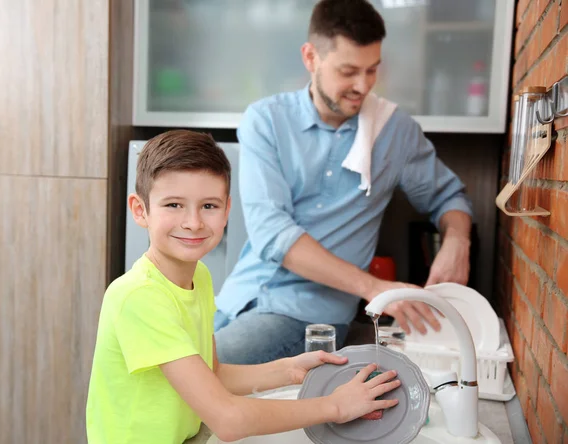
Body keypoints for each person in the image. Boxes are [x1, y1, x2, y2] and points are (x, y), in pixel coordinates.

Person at [85, 130, 401, 444]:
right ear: (141, 210)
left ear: (227, 209)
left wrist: (289, 370)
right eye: (174, 205)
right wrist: (335, 406)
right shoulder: (140, 297)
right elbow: (228, 420)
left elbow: (215, 374)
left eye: (208, 206)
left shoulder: (200, 277)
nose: (193, 222)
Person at [214, 0, 473, 365]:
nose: (362, 86)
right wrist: (375, 289)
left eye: (372, 70)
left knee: (192, 380)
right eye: (348, 70)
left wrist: (457, 241)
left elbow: (450, 197)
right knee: (162, 373)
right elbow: (271, 231)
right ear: (310, 57)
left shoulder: (393, 132)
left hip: (307, 318)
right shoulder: (266, 120)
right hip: (235, 297)